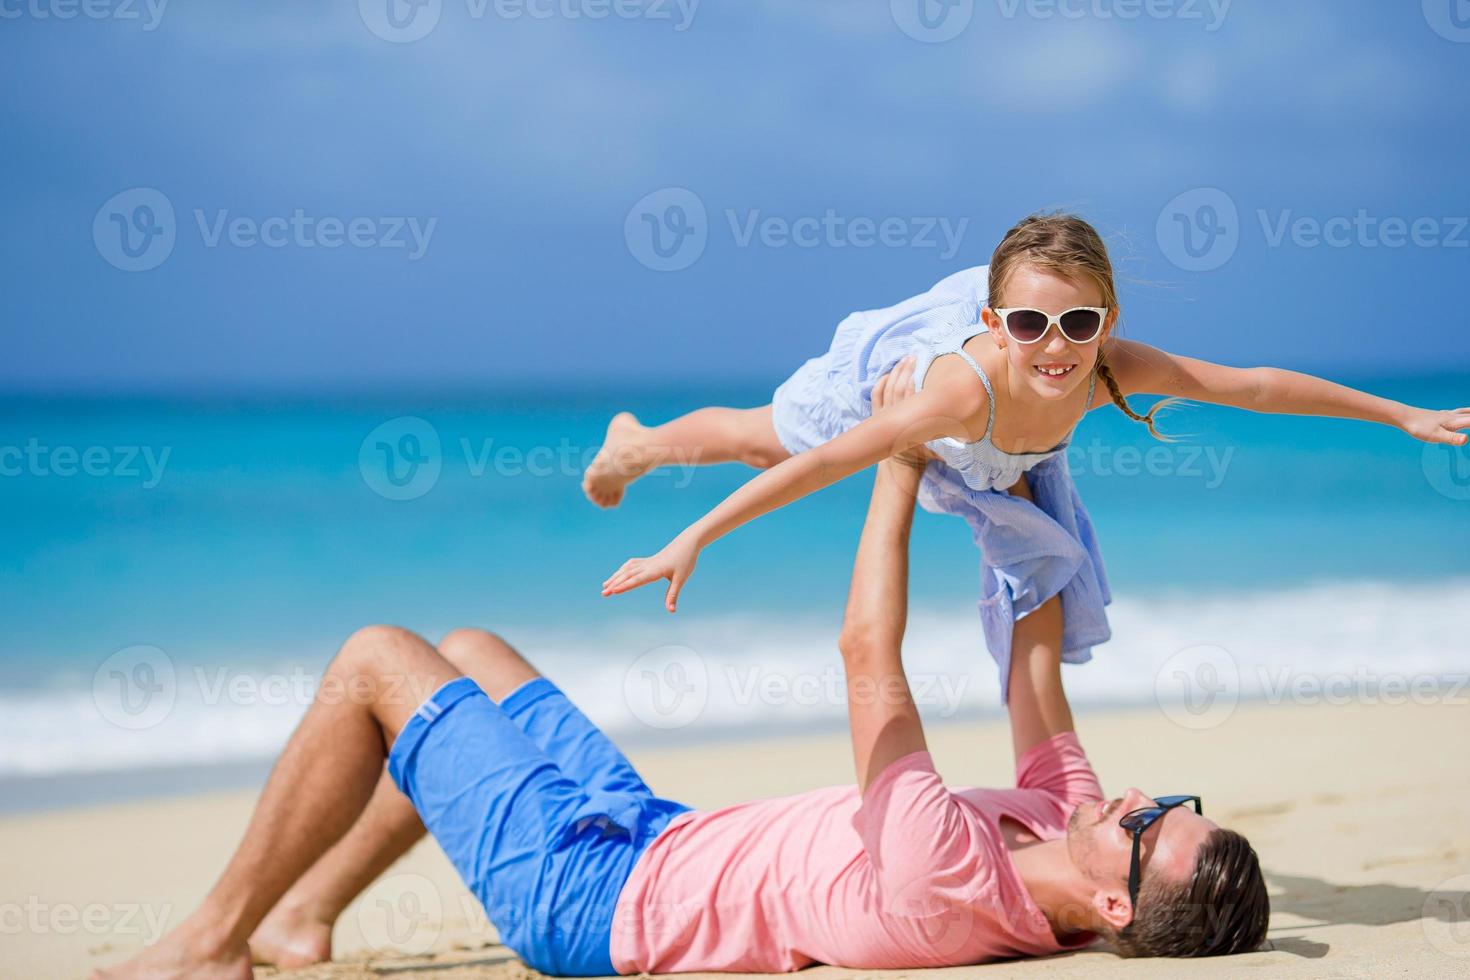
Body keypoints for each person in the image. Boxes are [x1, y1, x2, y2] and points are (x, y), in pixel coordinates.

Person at [94, 369, 1271, 980]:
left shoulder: (950, 880)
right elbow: (1035, 669)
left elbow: (869, 655)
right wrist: (1026, 472)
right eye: (1175, 800)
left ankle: (211, 937)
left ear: (1113, 906)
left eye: (1147, 825)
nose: (1139, 798)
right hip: (654, 834)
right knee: (471, 656)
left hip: (590, 905)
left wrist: (904, 452)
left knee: (374, 659)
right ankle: (303, 913)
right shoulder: (1065, 825)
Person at [591, 212, 1470, 697]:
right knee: (759, 437)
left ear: (1108, 324)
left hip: (1003, 443)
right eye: (1032, 324)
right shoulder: (953, 392)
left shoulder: (1109, 369)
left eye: (1080, 324)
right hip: (902, 393)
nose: (1058, 346)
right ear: (996, 324)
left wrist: (1402, 417)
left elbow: (1256, 386)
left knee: (1029, 548)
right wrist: (692, 538)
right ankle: (637, 445)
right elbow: (826, 464)